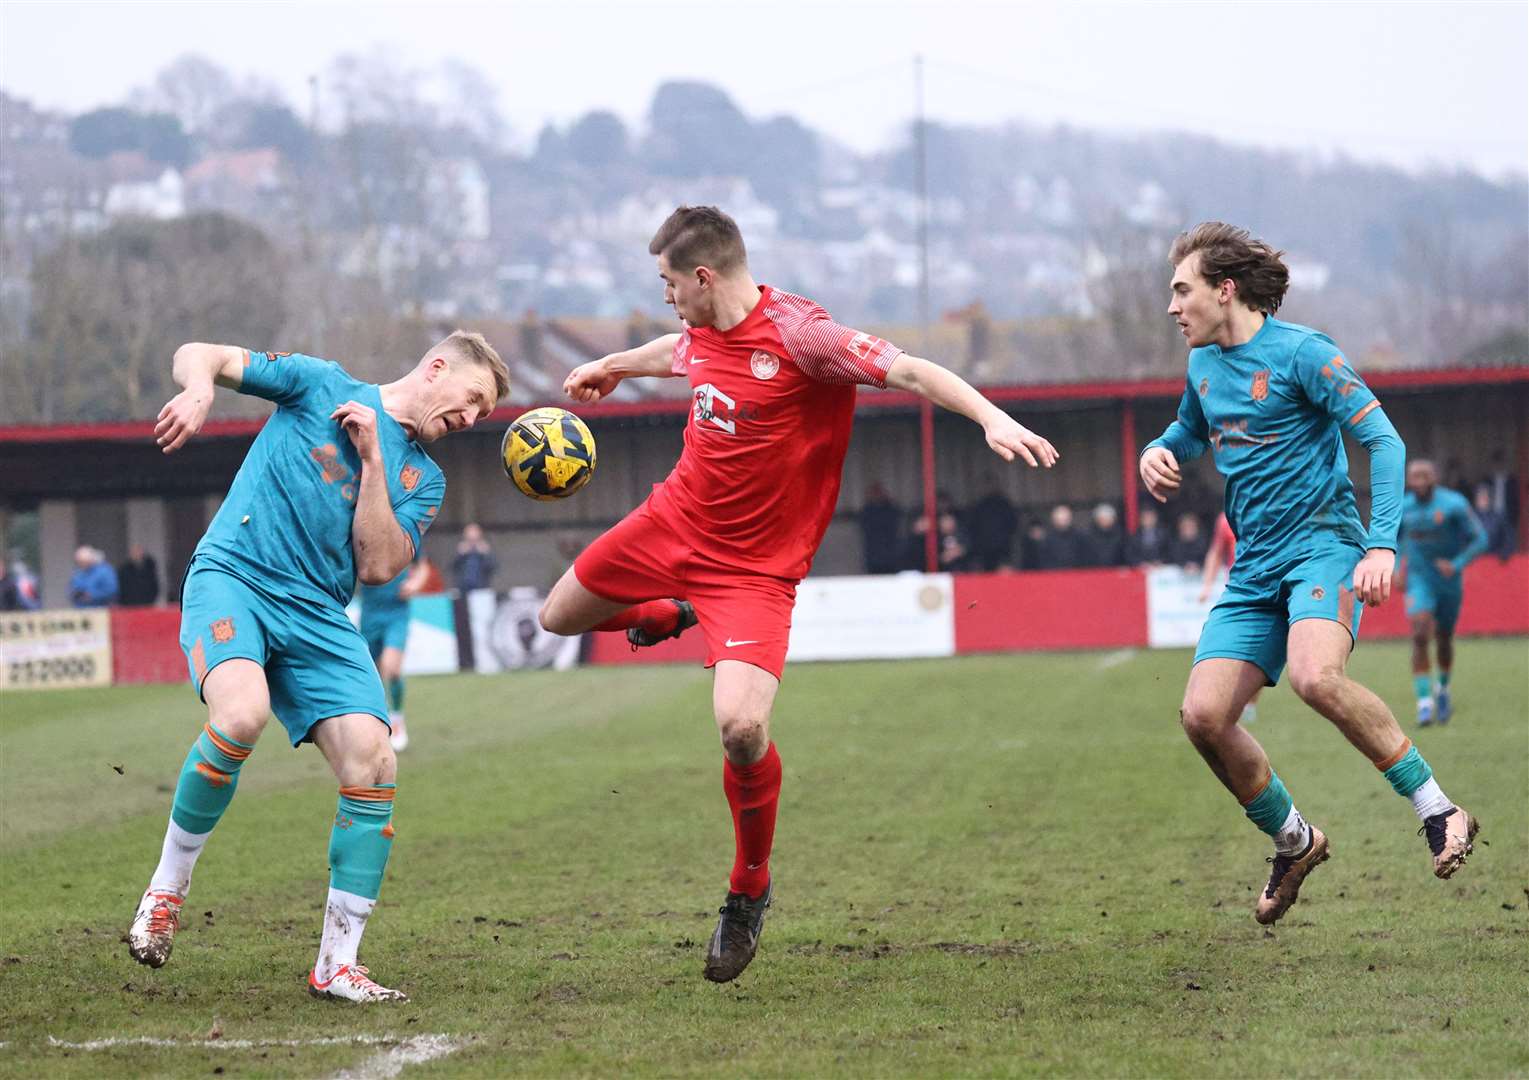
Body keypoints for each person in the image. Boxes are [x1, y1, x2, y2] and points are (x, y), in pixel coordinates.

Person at [539, 205, 1058, 983]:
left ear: (703, 277)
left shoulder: (802, 337)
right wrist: (615, 363)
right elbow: (676, 350)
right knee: (556, 615)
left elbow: (911, 369)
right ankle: (671, 613)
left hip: (754, 572)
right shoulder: (702, 329)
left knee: (741, 729)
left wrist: (988, 416)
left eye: (669, 283)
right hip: (672, 523)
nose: (666, 297)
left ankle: (747, 889)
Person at [125, 330, 508, 1004]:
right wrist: (199, 389)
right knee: (240, 715)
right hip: (236, 577)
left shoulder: (426, 478)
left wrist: (373, 463)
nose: (473, 419)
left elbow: (380, 564)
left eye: (483, 413)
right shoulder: (319, 384)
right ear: (437, 368)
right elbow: (201, 352)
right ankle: (165, 891)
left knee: (374, 758)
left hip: (318, 614)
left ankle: (337, 964)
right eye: (473, 399)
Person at [1140, 221, 1476, 927]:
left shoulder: (1304, 355)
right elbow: (1188, 430)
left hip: (1322, 545)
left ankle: (1438, 809)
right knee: (1202, 716)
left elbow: (1382, 441)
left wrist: (1379, 545)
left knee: (1313, 677)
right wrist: (1159, 451)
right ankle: (1294, 841)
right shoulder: (1202, 365)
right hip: (1253, 564)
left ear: (1223, 290)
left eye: (1181, 290)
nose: (1171, 307)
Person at [1399, 460, 1487, 726]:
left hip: (1447, 581)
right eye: (1414, 476)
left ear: (1434, 477)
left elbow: (1480, 538)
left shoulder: (1454, 504)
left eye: (1424, 475)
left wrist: (1457, 564)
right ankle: (1424, 704)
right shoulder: (1403, 507)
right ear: (1409, 480)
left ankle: (1443, 689)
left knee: (1444, 638)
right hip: (1418, 578)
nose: (1419, 481)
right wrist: (1393, 566)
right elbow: (1392, 538)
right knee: (1419, 633)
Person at [358, 559, 433, 752]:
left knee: (391, 667)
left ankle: (397, 718)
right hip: (370, 614)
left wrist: (415, 583)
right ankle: (376, 723)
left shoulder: (403, 531)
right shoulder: (358, 534)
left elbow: (422, 565)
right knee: (370, 675)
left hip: (397, 612)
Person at [1199, 513, 1261, 724]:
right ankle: (1232, 701)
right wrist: (1207, 585)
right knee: (1234, 649)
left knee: (1257, 653)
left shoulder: (1268, 505)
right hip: (1238, 590)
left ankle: (1250, 704)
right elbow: (1216, 553)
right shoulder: (1225, 520)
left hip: (1266, 588)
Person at [967, 479, 1019, 571]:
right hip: (983, 550)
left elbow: (1013, 524)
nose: (988, 488)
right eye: (985, 485)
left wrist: (1004, 537)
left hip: (1003, 548)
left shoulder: (1004, 505)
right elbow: (972, 527)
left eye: (990, 485)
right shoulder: (978, 506)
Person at [858, 482, 904, 574]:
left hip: (891, 556)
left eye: (878, 492)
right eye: (874, 493)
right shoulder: (866, 511)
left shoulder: (890, 509)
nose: (876, 496)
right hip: (874, 556)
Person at [1032, 504, 1088, 569]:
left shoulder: (1079, 537)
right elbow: (1043, 560)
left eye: (1065, 519)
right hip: (1054, 575)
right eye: (1059, 519)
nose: (1062, 522)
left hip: (1076, 574)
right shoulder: (1047, 539)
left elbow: (1084, 557)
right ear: (1054, 520)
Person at [1473, 484, 1515, 559]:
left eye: (1485, 496)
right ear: (1476, 499)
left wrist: (1504, 553)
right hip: (1474, 560)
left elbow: (1508, 539)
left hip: (1494, 560)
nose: (1483, 499)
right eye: (1480, 496)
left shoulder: (1499, 517)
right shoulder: (1469, 517)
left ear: (1490, 499)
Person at [452, 523, 497, 593]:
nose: (472, 539)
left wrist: (485, 554)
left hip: (481, 588)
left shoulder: (484, 548)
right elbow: (453, 568)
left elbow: (492, 568)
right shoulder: (461, 548)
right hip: (463, 588)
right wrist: (460, 555)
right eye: (469, 536)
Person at [1081, 502, 1126, 567]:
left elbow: (1125, 555)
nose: (1105, 521)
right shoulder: (1088, 536)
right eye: (1102, 518)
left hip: (1115, 571)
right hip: (1094, 571)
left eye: (1108, 518)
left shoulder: (1120, 536)